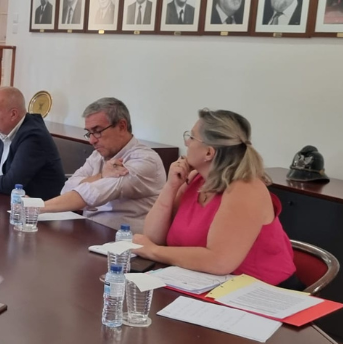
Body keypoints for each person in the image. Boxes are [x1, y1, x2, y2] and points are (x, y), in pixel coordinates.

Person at [132, 109, 298, 288]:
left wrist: (154, 251)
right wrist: (170, 187)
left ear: (209, 153)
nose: (186, 142)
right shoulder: (195, 179)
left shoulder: (245, 188)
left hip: (262, 292)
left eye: (191, 137)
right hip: (205, 284)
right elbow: (153, 237)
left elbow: (219, 261)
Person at [39, 98, 165, 232]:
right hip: (89, 231)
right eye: (89, 133)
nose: (92, 140)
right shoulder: (98, 155)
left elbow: (94, 193)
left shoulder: (145, 160)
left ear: (122, 126)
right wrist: (101, 175)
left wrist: (37, 207)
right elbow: (67, 188)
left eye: (98, 131)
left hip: (124, 240)